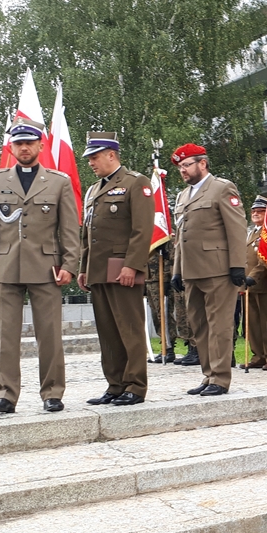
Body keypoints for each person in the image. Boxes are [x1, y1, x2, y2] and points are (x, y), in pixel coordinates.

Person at [0, 116, 80, 413]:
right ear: (11, 147)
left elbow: (70, 228)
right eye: (18, 143)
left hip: (46, 267)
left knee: (49, 335)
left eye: (29, 143)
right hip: (5, 266)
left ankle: (52, 392)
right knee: (5, 337)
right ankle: (5, 395)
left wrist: (69, 264)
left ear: (39, 145)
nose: (24, 148)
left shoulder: (59, 182)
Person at [78, 132, 155, 406]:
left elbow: (142, 229)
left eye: (95, 157)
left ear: (112, 154)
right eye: (89, 158)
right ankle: (115, 384)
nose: (90, 163)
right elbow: (87, 232)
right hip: (98, 270)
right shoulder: (93, 190)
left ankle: (135, 385)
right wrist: (83, 266)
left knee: (130, 329)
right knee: (108, 332)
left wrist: (132, 265)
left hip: (122, 268)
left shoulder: (136, 183)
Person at [169, 143, 247, 396]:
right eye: (180, 167)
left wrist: (237, 266)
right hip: (191, 271)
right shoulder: (183, 196)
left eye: (187, 165)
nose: (183, 170)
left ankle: (221, 378)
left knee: (220, 326)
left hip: (218, 270)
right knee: (199, 326)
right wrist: (177, 270)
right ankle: (208, 374)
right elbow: (181, 236)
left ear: (202, 163)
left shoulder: (222, 188)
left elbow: (236, 228)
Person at [243, 196, 267, 370]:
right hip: (248, 285)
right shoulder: (250, 232)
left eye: (260, 211)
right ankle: (258, 355)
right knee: (253, 323)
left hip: (263, 283)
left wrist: (253, 277)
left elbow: (264, 260)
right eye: (254, 211)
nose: (256, 214)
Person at [145, 241, 176, 364]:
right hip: (149, 280)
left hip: (161, 280)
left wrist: (167, 277)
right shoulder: (147, 233)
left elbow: (170, 258)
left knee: (163, 314)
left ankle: (169, 348)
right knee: (155, 316)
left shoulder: (164, 234)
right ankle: (164, 345)